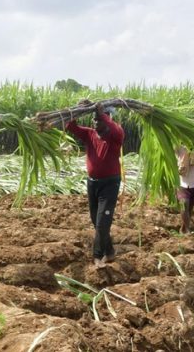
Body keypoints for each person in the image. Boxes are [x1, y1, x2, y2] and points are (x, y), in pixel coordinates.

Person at [66, 101, 124, 269]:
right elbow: (71, 126)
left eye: (98, 120)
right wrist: (77, 110)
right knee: (95, 219)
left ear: (107, 120)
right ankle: (110, 251)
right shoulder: (89, 134)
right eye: (94, 120)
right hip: (93, 184)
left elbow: (116, 129)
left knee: (102, 222)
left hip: (110, 183)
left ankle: (98, 256)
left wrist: (103, 115)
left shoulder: (115, 135)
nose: (95, 122)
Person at [175, 146, 194, 234]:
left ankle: (183, 228)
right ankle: (187, 230)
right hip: (182, 183)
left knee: (189, 208)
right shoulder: (180, 147)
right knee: (184, 204)